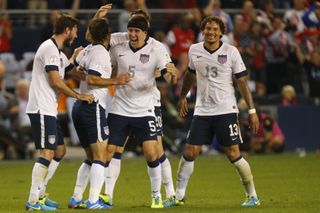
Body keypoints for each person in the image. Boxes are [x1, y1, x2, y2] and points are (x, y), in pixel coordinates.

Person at [94, 6, 178, 208]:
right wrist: (98, 18)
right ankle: (107, 195)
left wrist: (171, 74)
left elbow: (168, 74)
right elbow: (95, 36)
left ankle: (165, 194)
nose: (131, 33)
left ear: (145, 29)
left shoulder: (157, 48)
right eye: (130, 28)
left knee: (154, 151)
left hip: (147, 105)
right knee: (111, 150)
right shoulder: (117, 40)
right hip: (120, 106)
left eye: (136, 29)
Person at [175, 16, 260, 207]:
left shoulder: (231, 51)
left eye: (215, 29)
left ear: (222, 32)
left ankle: (252, 195)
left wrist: (252, 110)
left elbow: (242, 82)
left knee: (233, 153)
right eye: (207, 29)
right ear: (203, 30)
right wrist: (182, 96)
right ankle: (178, 196)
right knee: (190, 151)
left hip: (226, 109)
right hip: (202, 110)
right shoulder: (194, 50)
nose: (211, 32)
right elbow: (190, 75)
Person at [25, 15, 94, 211]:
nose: (76, 35)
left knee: (59, 150)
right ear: (67, 30)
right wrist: (77, 95)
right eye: (75, 31)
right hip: (41, 108)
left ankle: (40, 192)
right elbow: (56, 81)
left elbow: (72, 70)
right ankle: (32, 201)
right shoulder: (48, 48)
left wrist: (82, 59)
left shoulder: (58, 53)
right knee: (47, 152)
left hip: (49, 109)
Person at [67, 17, 131, 209]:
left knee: (90, 157)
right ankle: (93, 200)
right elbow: (94, 80)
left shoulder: (86, 50)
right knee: (101, 157)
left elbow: (72, 69)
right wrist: (116, 81)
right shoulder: (101, 53)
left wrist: (81, 70)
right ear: (108, 36)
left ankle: (76, 197)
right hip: (92, 105)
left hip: (79, 106)